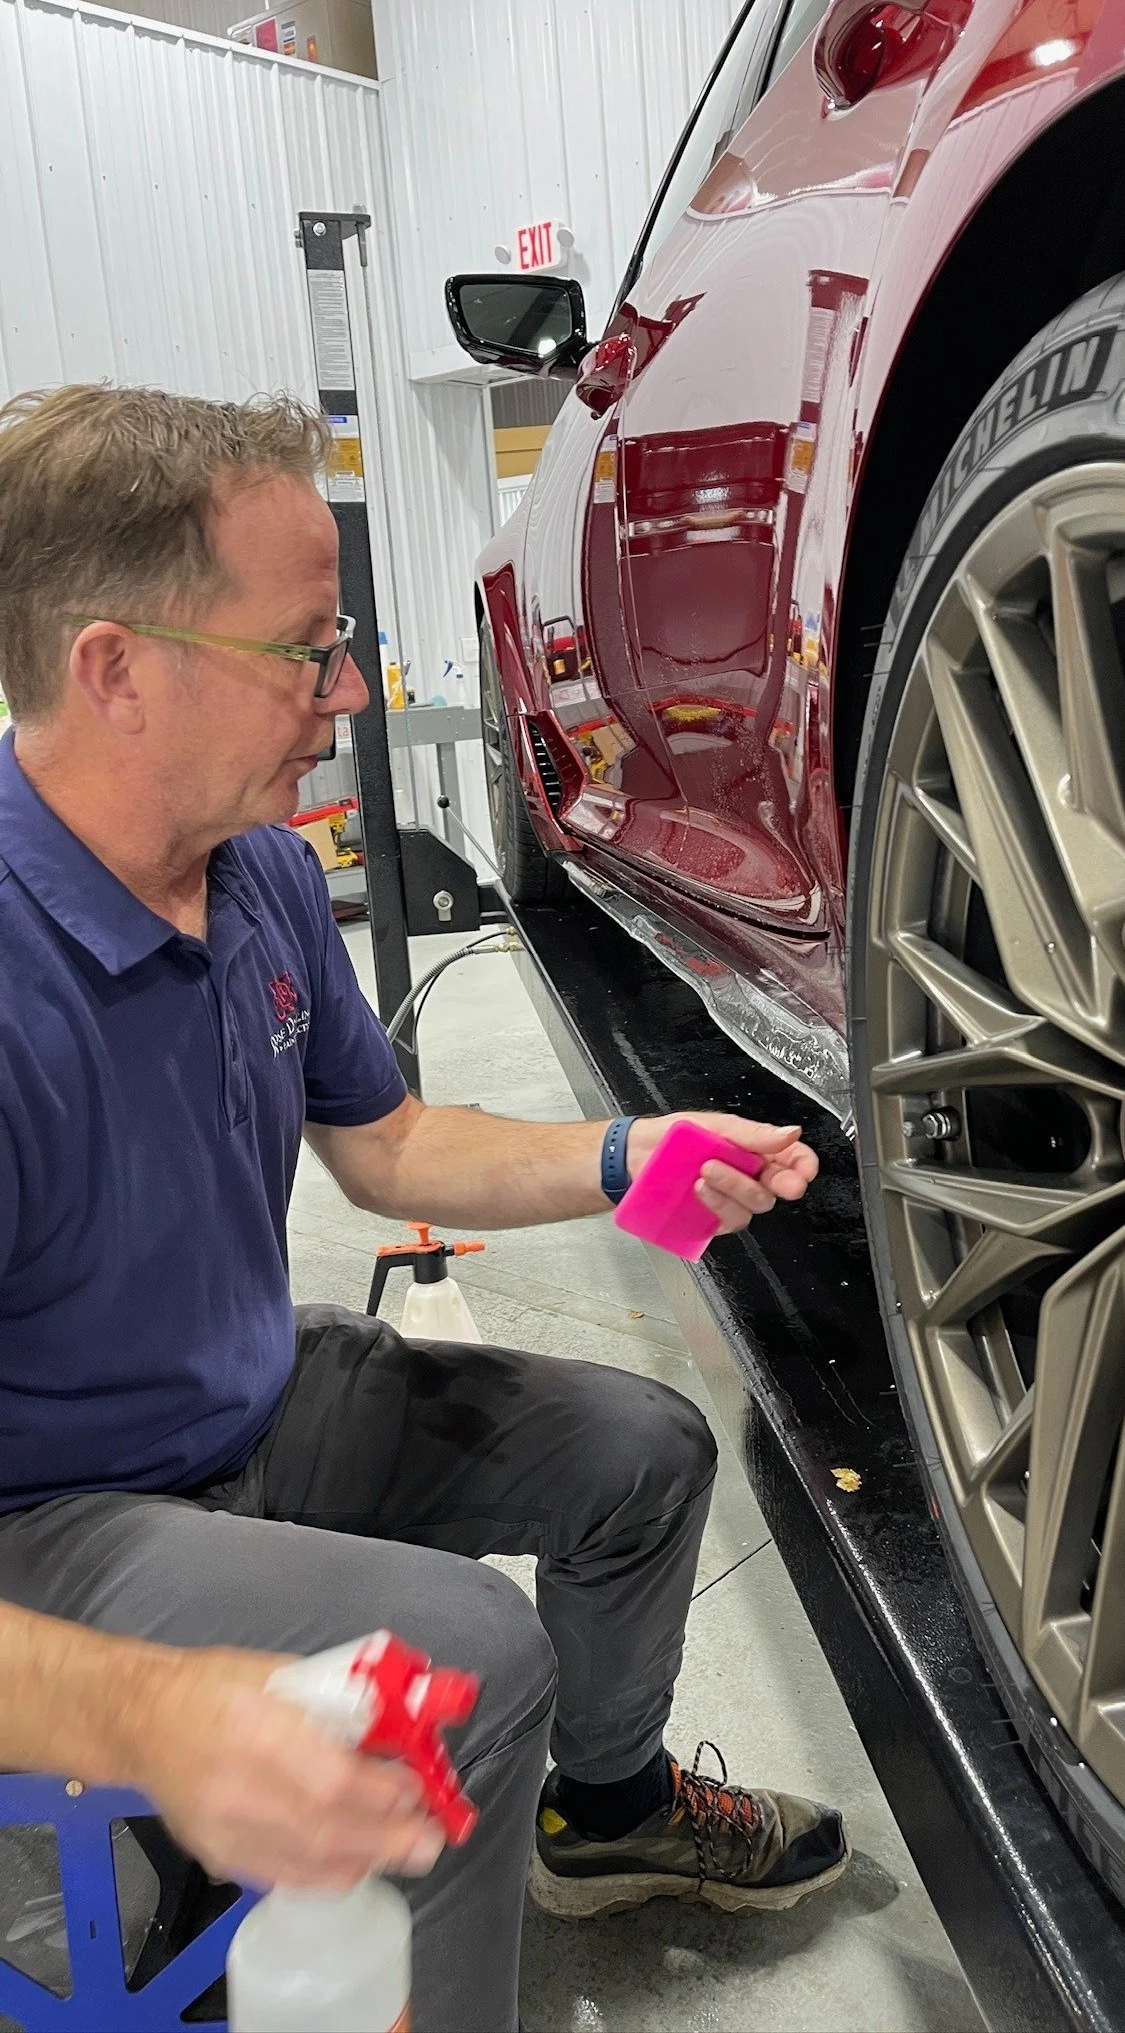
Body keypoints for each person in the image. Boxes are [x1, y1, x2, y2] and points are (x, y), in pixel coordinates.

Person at [0, 385, 846, 2032]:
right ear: (116, 670)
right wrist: (143, 1708)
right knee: (464, 1668)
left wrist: (630, 1160)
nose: (343, 695)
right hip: (51, 1515)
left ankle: (603, 1817)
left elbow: (385, 1146)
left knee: (647, 1454)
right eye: (301, 649)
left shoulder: (247, 867)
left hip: (244, 1398)